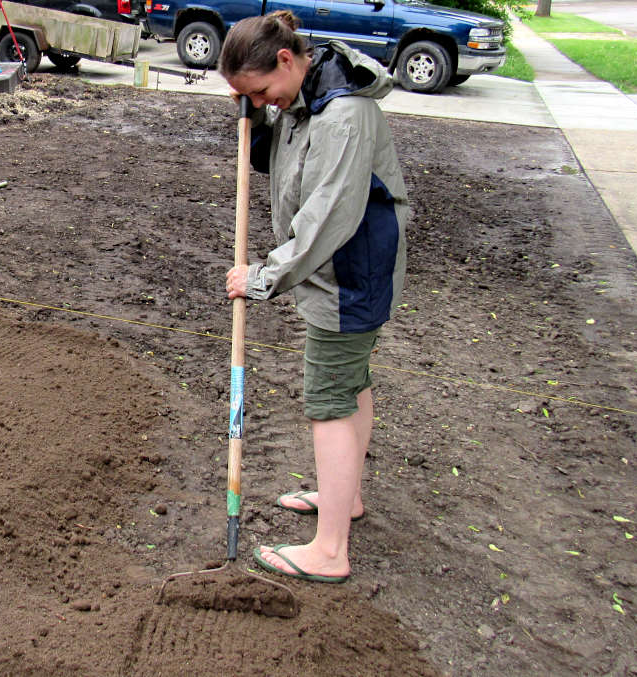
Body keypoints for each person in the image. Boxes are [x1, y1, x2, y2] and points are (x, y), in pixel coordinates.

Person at [219, 11, 409, 583]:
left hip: (349, 274)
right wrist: (259, 124)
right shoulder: (306, 98)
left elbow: (329, 218)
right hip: (346, 273)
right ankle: (341, 497)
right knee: (353, 385)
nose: (263, 102)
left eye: (261, 91)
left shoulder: (342, 114)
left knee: (329, 397)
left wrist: (261, 277)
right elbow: (291, 167)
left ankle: (330, 551)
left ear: (284, 60)